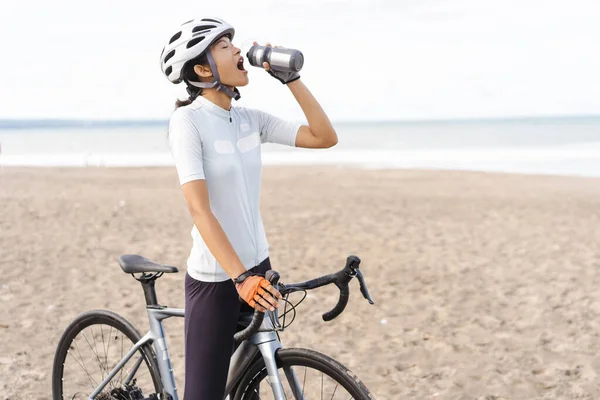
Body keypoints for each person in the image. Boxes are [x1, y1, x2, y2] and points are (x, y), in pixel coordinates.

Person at [160, 17, 338, 399]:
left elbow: (324, 137)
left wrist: (292, 80)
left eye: (233, 43)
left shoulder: (248, 119)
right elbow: (199, 209)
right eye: (225, 46)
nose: (238, 50)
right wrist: (240, 278)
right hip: (218, 279)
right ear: (203, 69)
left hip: (259, 269)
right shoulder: (187, 121)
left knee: (250, 387)